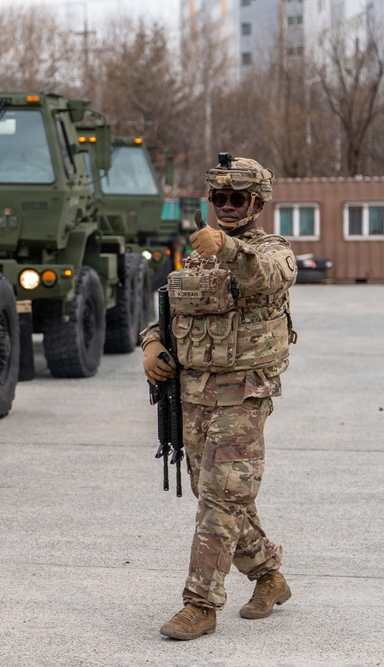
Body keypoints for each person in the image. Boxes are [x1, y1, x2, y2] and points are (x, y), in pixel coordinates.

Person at [141, 154, 298, 640]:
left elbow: (264, 275)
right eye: (219, 198)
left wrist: (228, 249)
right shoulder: (198, 255)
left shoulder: (272, 249)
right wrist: (150, 343)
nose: (227, 206)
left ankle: (200, 605)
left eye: (239, 198)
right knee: (219, 493)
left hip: (244, 393)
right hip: (194, 392)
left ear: (258, 202)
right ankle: (269, 575)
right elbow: (171, 313)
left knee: (221, 498)